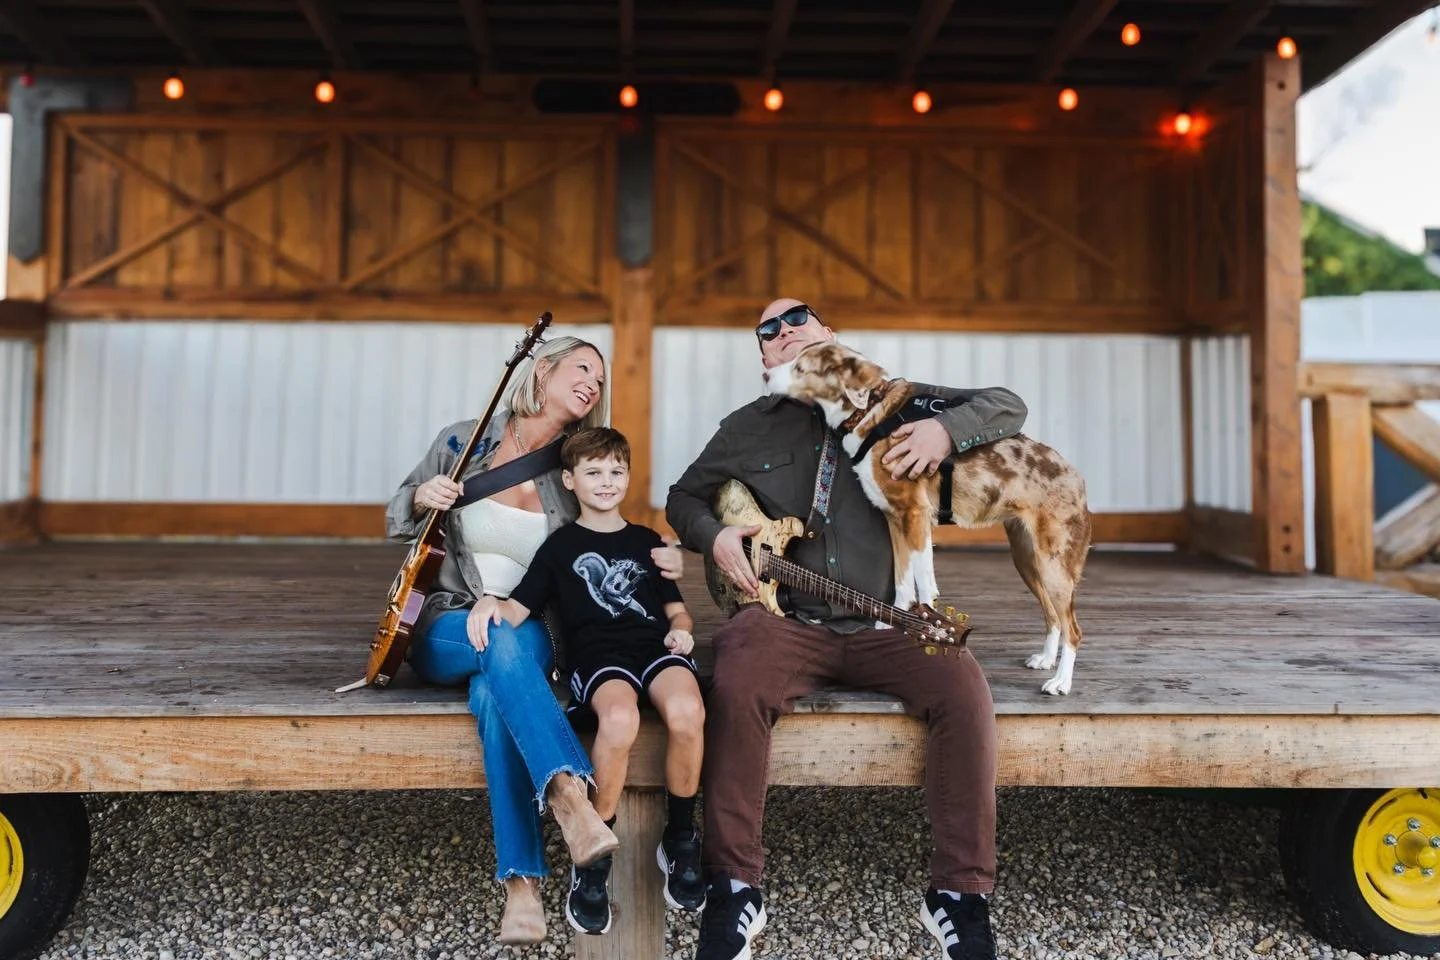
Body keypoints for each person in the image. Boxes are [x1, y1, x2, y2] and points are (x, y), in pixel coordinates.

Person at [665, 299, 1028, 960]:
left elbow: (1007, 403)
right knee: (736, 669)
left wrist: (946, 434)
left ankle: (958, 896)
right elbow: (682, 497)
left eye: (796, 318)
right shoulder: (748, 427)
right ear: (767, 364)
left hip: (888, 620)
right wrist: (713, 536)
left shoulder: (895, 400)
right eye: (767, 333)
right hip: (787, 620)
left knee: (963, 685)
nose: (782, 333)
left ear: (828, 335)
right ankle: (735, 888)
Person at [384, 336, 686, 946]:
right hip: (449, 619)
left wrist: (663, 559)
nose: (593, 385)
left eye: (600, 381)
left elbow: (611, 539)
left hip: (530, 629)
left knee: (499, 690)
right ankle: (570, 799)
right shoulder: (461, 442)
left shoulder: (574, 467)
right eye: (583, 369)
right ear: (543, 370)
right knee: (493, 637)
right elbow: (395, 514)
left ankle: (523, 887)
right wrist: (423, 497)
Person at [472, 427, 708, 936]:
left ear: (628, 476)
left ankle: (682, 836)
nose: (606, 481)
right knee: (619, 719)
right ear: (570, 480)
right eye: (593, 473)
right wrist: (491, 605)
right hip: (598, 659)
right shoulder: (559, 549)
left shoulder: (648, 542)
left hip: (654, 650)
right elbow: (518, 606)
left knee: (689, 712)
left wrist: (684, 636)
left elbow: (678, 613)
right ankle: (593, 858)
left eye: (616, 472)